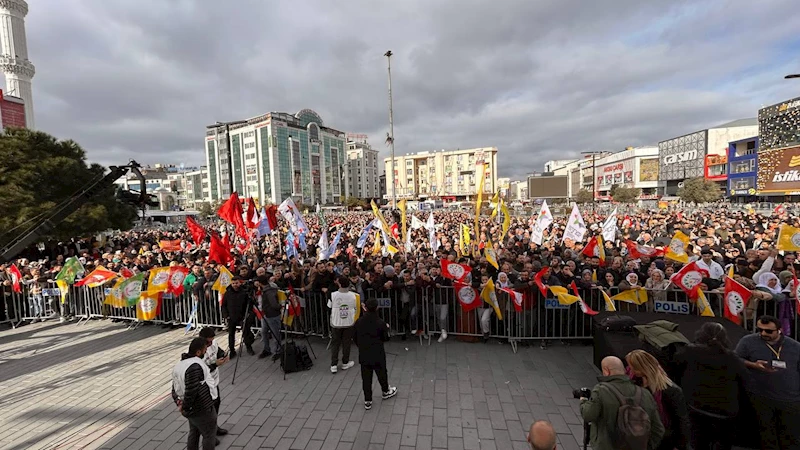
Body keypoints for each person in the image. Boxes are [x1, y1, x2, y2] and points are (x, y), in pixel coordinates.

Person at [735, 315, 800, 449]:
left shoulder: (795, 346)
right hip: (761, 396)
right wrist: (752, 365)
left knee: (790, 435)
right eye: (760, 330)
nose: (763, 333)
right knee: (766, 434)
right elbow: (734, 359)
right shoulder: (748, 342)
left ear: (779, 330)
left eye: (769, 331)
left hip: (790, 398)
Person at [579, 356, 664, 450]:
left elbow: (588, 414)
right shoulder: (645, 394)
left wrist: (583, 400)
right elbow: (658, 429)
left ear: (607, 371)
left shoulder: (601, 391)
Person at [625, 350, 690, 450]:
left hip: (664, 439)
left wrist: (681, 446)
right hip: (641, 436)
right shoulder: (635, 383)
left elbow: (681, 420)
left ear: (642, 368)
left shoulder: (671, 390)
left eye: (633, 368)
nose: (631, 370)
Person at [171, 337, 218, 450]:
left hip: (192, 408)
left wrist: (179, 403)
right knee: (209, 435)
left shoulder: (180, 365)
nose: (206, 351)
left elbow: (174, 388)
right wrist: (185, 407)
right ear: (198, 352)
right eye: (204, 350)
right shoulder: (194, 366)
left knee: (194, 432)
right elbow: (192, 390)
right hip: (202, 408)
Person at [353, 297, 397, 410]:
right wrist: (386, 329)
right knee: (382, 373)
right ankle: (385, 391)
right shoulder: (380, 322)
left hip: (364, 353)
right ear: (377, 308)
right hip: (377, 353)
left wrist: (361, 346)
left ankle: (368, 400)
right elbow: (385, 338)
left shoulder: (359, 321)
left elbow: (355, 337)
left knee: (366, 378)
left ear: (365, 308)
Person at [198, 327, 229, 439]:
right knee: (208, 411)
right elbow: (202, 370)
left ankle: (214, 427)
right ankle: (209, 435)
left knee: (216, 405)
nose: (210, 344)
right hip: (205, 385)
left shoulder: (213, 343)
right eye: (208, 342)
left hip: (214, 382)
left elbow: (218, 351)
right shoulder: (199, 351)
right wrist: (215, 364)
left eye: (212, 340)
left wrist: (223, 355)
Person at [328, 275, 359, 374]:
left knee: (335, 343)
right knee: (346, 343)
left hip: (336, 322)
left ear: (339, 284)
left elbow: (329, 306)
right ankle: (345, 362)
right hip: (348, 322)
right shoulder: (354, 295)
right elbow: (355, 307)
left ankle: (334, 365)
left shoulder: (333, 295)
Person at [220, 276, 255, 357]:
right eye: (233, 283)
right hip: (231, 316)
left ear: (240, 283)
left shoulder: (244, 292)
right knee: (231, 334)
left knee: (246, 332)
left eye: (236, 283)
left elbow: (249, 304)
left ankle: (249, 347)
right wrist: (226, 315)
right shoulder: (228, 293)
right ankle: (232, 350)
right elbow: (224, 305)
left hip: (242, 316)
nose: (235, 285)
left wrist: (247, 314)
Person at [256, 273, 283, 360]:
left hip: (272, 315)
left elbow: (274, 304)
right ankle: (266, 349)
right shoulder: (264, 290)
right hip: (266, 315)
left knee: (275, 333)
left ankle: (278, 351)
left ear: (260, 283)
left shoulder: (269, 291)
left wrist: (278, 307)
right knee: (264, 332)